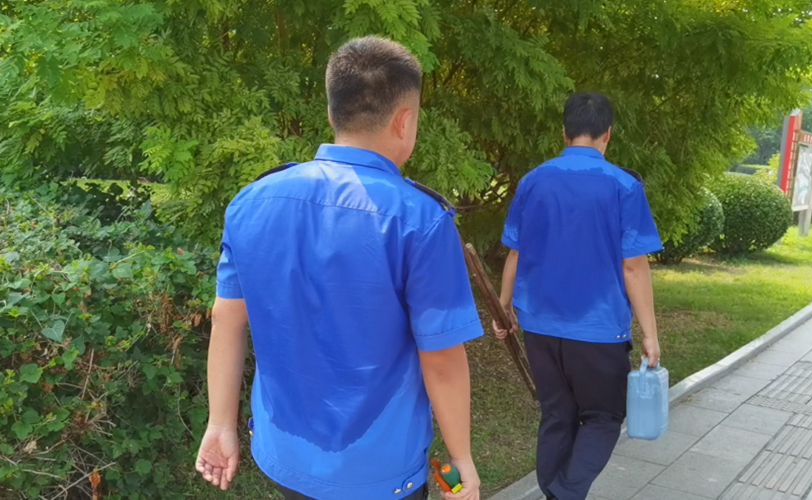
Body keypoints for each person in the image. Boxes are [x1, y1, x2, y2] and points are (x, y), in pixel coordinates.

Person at [195, 36, 483, 500]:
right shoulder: (421, 220)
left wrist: (219, 424)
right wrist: (461, 458)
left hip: (286, 458)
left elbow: (226, 319)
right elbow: (442, 360)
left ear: (333, 114)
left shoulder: (252, 201)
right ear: (405, 120)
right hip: (381, 472)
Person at [493, 92, 662, 500]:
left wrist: (504, 308)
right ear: (608, 134)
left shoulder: (533, 181)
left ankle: (556, 492)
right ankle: (565, 493)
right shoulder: (623, 185)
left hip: (539, 326)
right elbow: (633, 267)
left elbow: (515, 253)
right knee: (603, 418)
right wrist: (650, 334)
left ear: (564, 132)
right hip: (598, 329)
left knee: (557, 415)